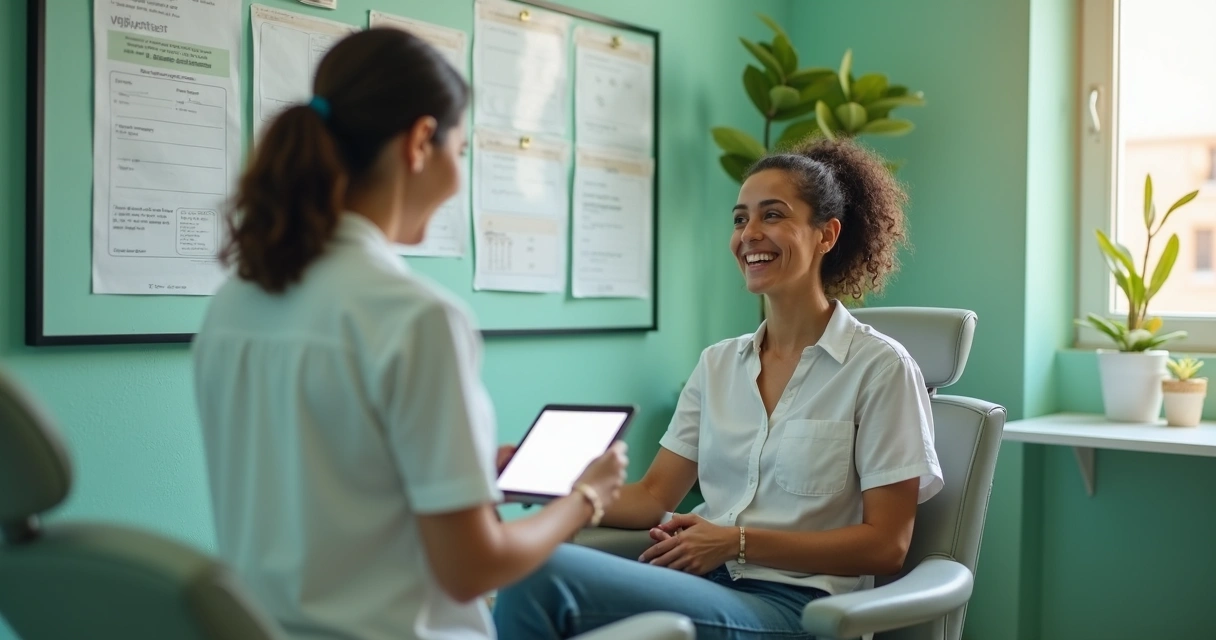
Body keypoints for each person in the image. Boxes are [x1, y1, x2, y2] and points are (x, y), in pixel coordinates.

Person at [191, 28, 627, 640]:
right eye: (461, 148)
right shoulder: (416, 317)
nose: (458, 172)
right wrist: (585, 497)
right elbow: (473, 569)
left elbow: (328, 487)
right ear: (422, 141)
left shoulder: (233, 304)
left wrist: (469, 468)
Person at [493, 138, 944, 640]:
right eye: (739, 219)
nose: (750, 234)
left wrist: (737, 543)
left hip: (799, 609)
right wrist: (544, 482)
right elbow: (650, 497)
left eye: (772, 216)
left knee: (537, 573)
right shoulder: (718, 364)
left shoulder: (880, 368)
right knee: (528, 562)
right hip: (702, 581)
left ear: (827, 235)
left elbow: (886, 545)